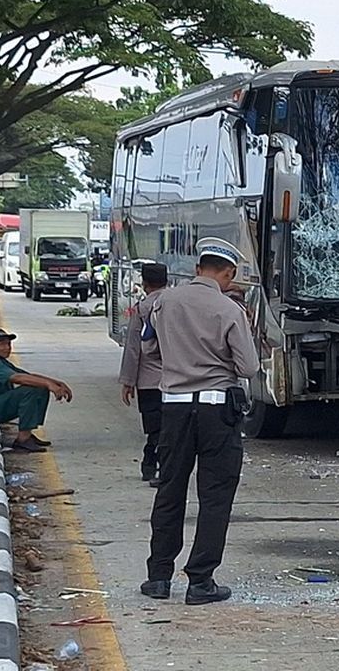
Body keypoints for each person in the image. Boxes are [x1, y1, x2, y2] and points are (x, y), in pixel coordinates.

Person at [141, 238, 259, 606]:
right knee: (215, 496)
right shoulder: (229, 309)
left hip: (173, 410)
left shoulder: (163, 302)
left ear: (197, 269)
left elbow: (148, 348)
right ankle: (200, 580)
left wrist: (180, 362)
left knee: (170, 489)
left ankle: (159, 577)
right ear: (229, 273)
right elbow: (249, 367)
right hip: (216, 411)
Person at [0, 329, 73, 452]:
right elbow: (18, 378)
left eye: (8, 344)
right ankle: (23, 439)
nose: (7, 348)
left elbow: (28, 375)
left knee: (39, 386)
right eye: (1, 344)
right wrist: (49, 384)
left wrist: (56, 383)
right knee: (30, 390)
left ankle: (28, 433)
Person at [119, 262, 169, 486]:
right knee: (171, 427)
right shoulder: (176, 304)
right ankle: (165, 467)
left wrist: (128, 381)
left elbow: (133, 348)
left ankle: (149, 463)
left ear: (144, 283)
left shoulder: (142, 308)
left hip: (149, 381)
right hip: (176, 379)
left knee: (154, 427)